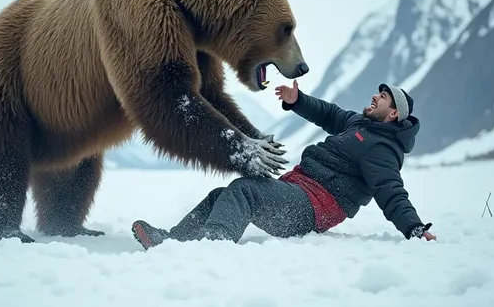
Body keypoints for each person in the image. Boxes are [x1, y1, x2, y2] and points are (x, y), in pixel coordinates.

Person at [130, 80, 436, 250]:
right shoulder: (358, 124)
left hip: (311, 209)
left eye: (382, 97)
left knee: (244, 191)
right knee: (220, 195)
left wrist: (414, 227)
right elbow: (328, 113)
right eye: (378, 91)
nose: (374, 96)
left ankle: (213, 245)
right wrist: (297, 99)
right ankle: (173, 242)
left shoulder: (383, 149)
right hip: (297, 191)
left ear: (394, 114)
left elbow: (390, 190)